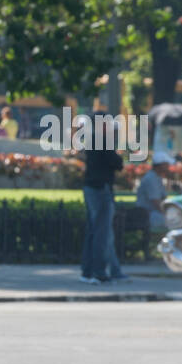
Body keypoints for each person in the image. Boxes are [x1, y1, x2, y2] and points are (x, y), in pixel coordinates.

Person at [79, 114, 126, 284]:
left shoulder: (92, 139)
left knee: (93, 231)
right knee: (101, 232)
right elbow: (117, 162)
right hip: (101, 189)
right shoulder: (103, 141)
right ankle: (98, 271)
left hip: (91, 187)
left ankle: (87, 271)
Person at [135, 151, 174, 231]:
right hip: (148, 215)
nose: (168, 167)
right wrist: (170, 214)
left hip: (151, 214)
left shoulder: (156, 177)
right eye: (166, 164)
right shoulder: (151, 178)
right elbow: (156, 202)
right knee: (177, 221)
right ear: (160, 165)